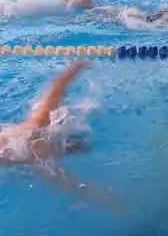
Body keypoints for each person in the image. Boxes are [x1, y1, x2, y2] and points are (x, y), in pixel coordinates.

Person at [0, 62, 123, 212]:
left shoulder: (41, 152)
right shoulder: (41, 155)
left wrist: (74, 69)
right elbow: (57, 88)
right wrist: (76, 67)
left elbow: (57, 89)